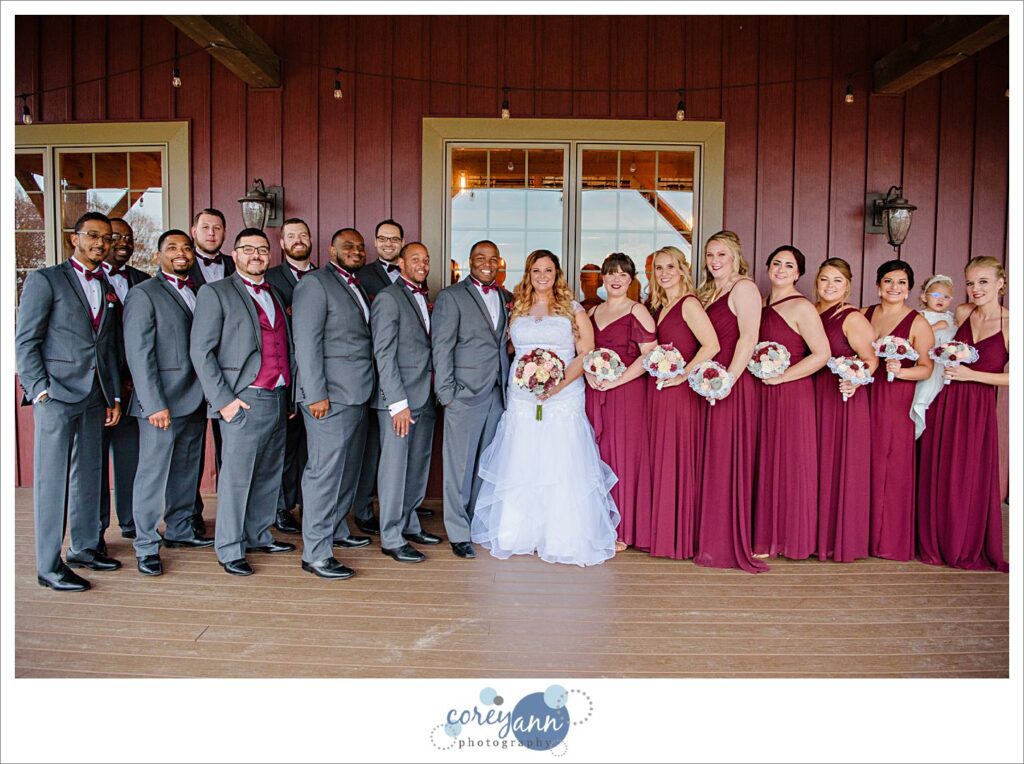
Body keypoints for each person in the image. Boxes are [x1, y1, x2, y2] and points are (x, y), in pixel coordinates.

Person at [471, 250, 620, 566]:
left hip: (563, 397)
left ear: (557, 274)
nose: (542, 275)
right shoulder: (518, 308)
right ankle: (517, 532)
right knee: (522, 457)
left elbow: (586, 354)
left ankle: (562, 535)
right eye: (536, 270)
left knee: (559, 459)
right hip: (523, 397)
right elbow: (510, 349)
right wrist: (530, 376)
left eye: (548, 270)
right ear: (528, 274)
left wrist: (557, 384)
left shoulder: (573, 310)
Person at [15, 211, 124, 591]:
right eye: (92, 236)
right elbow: (26, 340)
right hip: (57, 395)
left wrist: (111, 394)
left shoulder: (107, 284)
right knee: (51, 481)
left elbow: (106, 345)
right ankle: (48, 565)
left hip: (95, 395)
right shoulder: (46, 280)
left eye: (106, 238)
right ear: (74, 239)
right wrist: (40, 390)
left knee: (90, 476)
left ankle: (84, 547)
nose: (100, 243)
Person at [190, 228, 297, 576]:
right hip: (244, 398)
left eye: (262, 250)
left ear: (270, 255)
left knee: (269, 472)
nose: (256, 255)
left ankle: (258, 534)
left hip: (279, 395)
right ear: (234, 255)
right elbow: (201, 351)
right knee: (237, 478)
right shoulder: (215, 292)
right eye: (248, 249)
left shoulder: (275, 293)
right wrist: (225, 402)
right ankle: (229, 547)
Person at [123, 230, 213, 576]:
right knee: (152, 475)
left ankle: (179, 530)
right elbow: (139, 353)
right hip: (160, 402)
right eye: (172, 248)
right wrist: (152, 403)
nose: (181, 253)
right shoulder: (143, 294)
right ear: (158, 254)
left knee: (186, 470)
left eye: (186, 248)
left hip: (194, 398)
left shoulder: (199, 292)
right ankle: (146, 544)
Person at [292, 228, 377, 580]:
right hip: (329, 396)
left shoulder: (356, 285)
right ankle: (316, 553)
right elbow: (307, 343)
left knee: (346, 473)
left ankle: (337, 530)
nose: (355, 251)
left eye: (359, 247)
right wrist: (315, 394)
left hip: (357, 393)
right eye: (347, 246)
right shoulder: (315, 284)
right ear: (331, 250)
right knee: (324, 475)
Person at [917, 257, 1009, 572]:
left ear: (1000, 283)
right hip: (948, 399)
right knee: (940, 469)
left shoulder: (1011, 324)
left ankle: (963, 543)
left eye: (983, 282)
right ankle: (934, 538)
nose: (975, 289)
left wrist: (974, 376)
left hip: (978, 407)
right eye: (970, 282)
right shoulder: (962, 313)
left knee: (967, 473)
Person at [432, 240, 511, 559]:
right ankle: (457, 531)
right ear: (469, 262)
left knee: (486, 464)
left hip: (498, 392)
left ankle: (477, 523)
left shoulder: (507, 298)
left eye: (493, 259)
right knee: (459, 466)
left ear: (500, 263)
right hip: (463, 394)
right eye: (480, 258)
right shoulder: (452, 297)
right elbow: (441, 347)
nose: (487, 264)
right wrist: (447, 393)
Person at [694, 231, 767, 573]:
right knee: (711, 457)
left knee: (727, 457)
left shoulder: (744, 288)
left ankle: (725, 540)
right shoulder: (710, 291)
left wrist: (728, 379)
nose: (715, 261)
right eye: (710, 255)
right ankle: (707, 534)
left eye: (721, 255)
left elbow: (749, 336)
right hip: (708, 384)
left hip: (731, 385)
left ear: (735, 257)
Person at [751, 246, 829, 560]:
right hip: (762, 391)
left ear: (798, 273)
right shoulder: (761, 302)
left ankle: (788, 537)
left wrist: (784, 378)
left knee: (790, 462)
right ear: (768, 267)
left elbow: (822, 354)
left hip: (792, 393)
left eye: (789, 265)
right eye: (776, 263)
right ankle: (765, 533)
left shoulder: (802, 308)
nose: (781, 270)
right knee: (766, 460)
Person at [646, 246, 719, 560]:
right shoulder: (661, 305)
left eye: (670, 267)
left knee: (677, 458)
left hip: (679, 393)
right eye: (659, 268)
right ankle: (664, 533)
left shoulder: (688, 303)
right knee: (664, 457)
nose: (664, 274)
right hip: (660, 391)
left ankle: (680, 537)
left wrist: (684, 375)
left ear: (683, 270)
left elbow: (711, 344)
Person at [371, 242, 442, 563]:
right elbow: (383, 353)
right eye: (415, 259)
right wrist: (396, 402)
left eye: (426, 260)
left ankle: (410, 523)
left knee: (417, 464)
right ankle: (391, 536)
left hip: (424, 396)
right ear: (400, 263)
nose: (422, 264)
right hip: (400, 400)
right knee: (395, 469)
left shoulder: (425, 298)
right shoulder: (389, 297)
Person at [583, 253, 657, 552]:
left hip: (627, 393)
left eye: (623, 275)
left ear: (631, 280)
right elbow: (584, 352)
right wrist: (591, 377)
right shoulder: (592, 312)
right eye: (611, 273)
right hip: (595, 389)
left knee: (623, 457)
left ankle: (622, 528)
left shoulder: (637, 310)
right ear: (602, 277)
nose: (616, 279)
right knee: (595, 455)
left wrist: (617, 380)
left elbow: (650, 354)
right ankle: (598, 523)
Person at [862, 260, 934, 562]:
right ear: (878, 285)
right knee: (864, 464)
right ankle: (860, 536)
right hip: (863, 394)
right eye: (888, 281)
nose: (894, 287)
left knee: (892, 467)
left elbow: (927, 369)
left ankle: (889, 541)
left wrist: (901, 372)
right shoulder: (865, 314)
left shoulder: (917, 322)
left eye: (901, 283)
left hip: (894, 399)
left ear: (909, 289)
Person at [813, 258, 877, 562]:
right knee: (816, 466)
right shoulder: (811, 311)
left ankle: (838, 540)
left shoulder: (852, 317)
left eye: (837, 281)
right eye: (825, 279)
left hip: (842, 398)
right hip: (813, 396)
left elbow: (870, 358)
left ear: (847, 285)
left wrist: (855, 381)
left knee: (838, 465)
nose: (829, 286)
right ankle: (812, 535)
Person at [94, 217, 148, 543]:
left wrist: (133, 379)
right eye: (116, 237)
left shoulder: (143, 281)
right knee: (94, 466)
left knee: (132, 459)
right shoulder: (84, 279)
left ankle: (131, 522)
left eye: (128, 237)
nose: (123, 243)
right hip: (96, 387)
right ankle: (95, 532)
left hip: (133, 387)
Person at [352, 219, 407, 535]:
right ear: (375, 242)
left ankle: (393, 506)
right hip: (368, 375)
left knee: (390, 449)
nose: (388, 243)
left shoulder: (410, 275)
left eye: (394, 238)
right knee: (369, 449)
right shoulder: (361, 276)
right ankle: (363, 508)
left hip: (399, 377)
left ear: (401, 242)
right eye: (383, 238)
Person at [264, 218, 318, 534]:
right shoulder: (269, 279)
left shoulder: (326, 278)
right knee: (284, 447)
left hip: (316, 379)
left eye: (303, 235)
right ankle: (281, 508)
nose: (298, 240)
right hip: (282, 376)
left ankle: (309, 504)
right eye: (291, 236)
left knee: (313, 449)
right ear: (282, 244)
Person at [188, 208, 235, 536]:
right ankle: (189, 516)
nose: (211, 232)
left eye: (217, 227)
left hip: (231, 375)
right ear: (194, 231)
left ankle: (230, 518)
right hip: (189, 374)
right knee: (189, 450)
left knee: (229, 450)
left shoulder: (238, 266)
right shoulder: (179, 264)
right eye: (205, 227)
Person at [909, 274, 957, 439]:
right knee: (922, 391)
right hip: (924, 362)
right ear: (924, 296)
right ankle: (917, 423)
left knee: (939, 397)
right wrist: (934, 327)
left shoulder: (951, 318)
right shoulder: (919, 316)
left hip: (942, 365)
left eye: (946, 297)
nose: (941, 300)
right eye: (936, 295)